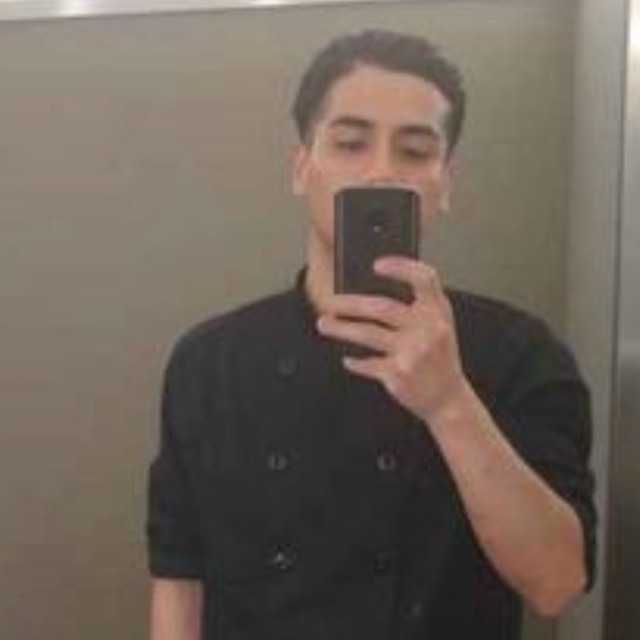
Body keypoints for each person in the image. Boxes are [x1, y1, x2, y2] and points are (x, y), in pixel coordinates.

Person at [146, 29, 596, 639]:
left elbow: (558, 581)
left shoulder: (520, 352)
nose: (382, 170)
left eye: (414, 151)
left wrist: (449, 402)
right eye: (351, 143)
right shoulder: (212, 362)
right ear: (301, 167)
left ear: (445, 182)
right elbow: (179, 573)